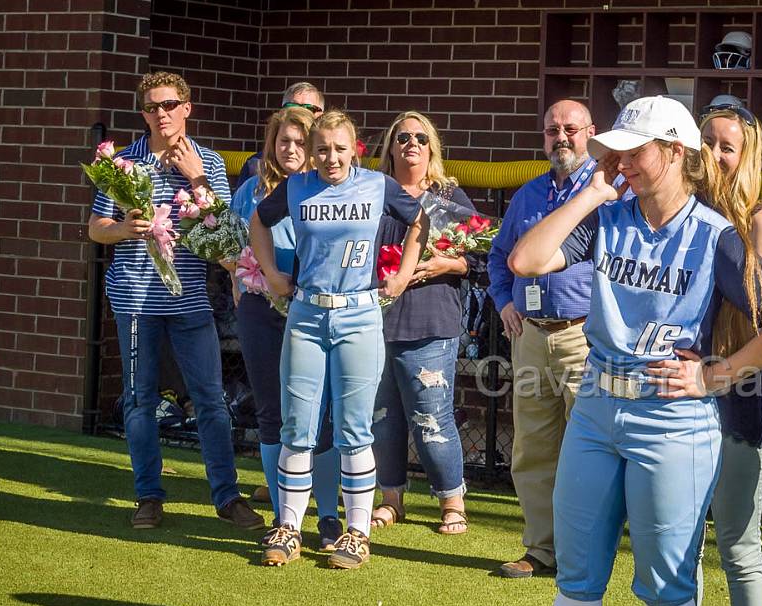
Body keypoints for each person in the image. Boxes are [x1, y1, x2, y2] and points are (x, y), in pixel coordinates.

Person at [473, 96, 762, 606]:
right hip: (598, 411)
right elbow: (529, 257)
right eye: (615, 148)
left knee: (665, 583)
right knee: (577, 576)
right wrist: (595, 190)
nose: (619, 159)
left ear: (676, 153)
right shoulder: (608, 213)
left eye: (633, 149)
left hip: (671, 423)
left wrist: (715, 374)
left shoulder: (715, 234)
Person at [620, 102, 762, 606]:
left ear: (748, 158)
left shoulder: (754, 222)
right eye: (706, 142)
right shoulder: (663, 218)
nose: (714, 156)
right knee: (673, 543)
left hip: (734, 391)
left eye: (728, 147)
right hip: (672, 395)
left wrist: (713, 371)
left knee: (739, 543)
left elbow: (761, 312)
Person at [87, 70, 263, 533]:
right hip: (135, 300)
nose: (160, 114)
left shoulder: (207, 161)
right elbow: (95, 227)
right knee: (139, 401)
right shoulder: (122, 161)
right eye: (151, 106)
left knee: (210, 400)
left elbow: (224, 230)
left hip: (189, 302)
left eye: (169, 104)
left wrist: (196, 178)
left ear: (187, 107)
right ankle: (148, 496)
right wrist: (126, 228)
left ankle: (226, 497)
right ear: (143, 112)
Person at [250, 110, 425, 569]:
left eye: (340, 149)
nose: (331, 158)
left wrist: (404, 273)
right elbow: (258, 222)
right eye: (322, 149)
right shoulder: (296, 186)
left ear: (356, 149)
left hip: (361, 314)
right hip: (307, 313)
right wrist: (270, 272)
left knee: (353, 428)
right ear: (311, 150)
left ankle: (357, 533)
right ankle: (288, 527)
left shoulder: (376, 185)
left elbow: (419, 222)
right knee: (297, 424)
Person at [485, 99, 597, 578]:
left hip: (584, 336)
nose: (562, 137)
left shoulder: (607, 194)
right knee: (532, 449)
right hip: (531, 335)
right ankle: (541, 550)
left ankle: (586, 555)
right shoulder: (528, 195)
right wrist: (505, 301)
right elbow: (498, 257)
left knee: (588, 451)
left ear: (590, 132)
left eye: (570, 128)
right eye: (553, 130)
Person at [228, 106, 345, 550]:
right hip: (261, 308)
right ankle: (284, 517)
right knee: (272, 412)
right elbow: (234, 246)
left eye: (300, 142)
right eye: (283, 141)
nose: (291, 149)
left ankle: (329, 516)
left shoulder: (331, 189)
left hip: (317, 311)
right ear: (271, 146)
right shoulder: (250, 193)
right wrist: (244, 278)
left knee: (324, 414)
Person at [371, 111, 480, 536]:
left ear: (431, 146)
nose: (411, 143)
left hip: (431, 318)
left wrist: (442, 264)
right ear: (391, 147)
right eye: (402, 137)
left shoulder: (448, 195)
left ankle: (452, 499)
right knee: (382, 416)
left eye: (420, 137)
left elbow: (477, 258)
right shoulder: (372, 190)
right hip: (376, 316)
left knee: (431, 418)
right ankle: (390, 498)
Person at [233, 82, 325, 192]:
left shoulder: (330, 168)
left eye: (308, 108)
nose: (298, 113)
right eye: (292, 107)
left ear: (321, 116)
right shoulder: (255, 165)